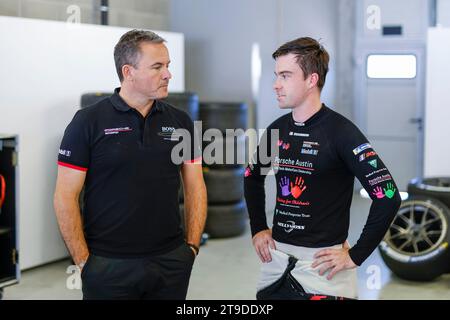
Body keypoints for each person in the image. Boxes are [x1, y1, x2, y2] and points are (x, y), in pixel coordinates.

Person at [54, 29, 207, 300]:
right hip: (108, 265)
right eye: (157, 66)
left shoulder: (181, 122)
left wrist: (191, 248)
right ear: (129, 71)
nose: (168, 74)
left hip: (170, 261)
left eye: (168, 66)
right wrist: (84, 262)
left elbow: (195, 186)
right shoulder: (88, 122)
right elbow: (65, 195)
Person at [244, 37, 401, 299]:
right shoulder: (277, 129)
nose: (276, 85)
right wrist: (258, 227)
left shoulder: (342, 133)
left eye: (285, 75)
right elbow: (251, 178)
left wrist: (355, 255)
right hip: (276, 262)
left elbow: (388, 196)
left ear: (311, 80)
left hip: (323, 269)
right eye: (276, 75)